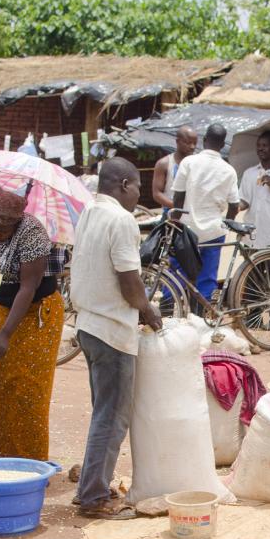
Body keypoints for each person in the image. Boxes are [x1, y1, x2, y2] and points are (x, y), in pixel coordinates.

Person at [70, 158, 162, 520]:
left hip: (88, 325)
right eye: (138, 186)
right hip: (111, 330)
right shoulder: (122, 220)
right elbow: (128, 280)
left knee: (103, 413)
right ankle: (93, 496)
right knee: (112, 416)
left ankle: (90, 486)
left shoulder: (90, 211)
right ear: (124, 184)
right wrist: (148, 309)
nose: (139, 194)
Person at [0, 188, 65, 460]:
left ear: (16, 222)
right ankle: (3, 457)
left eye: (4, 227)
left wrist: (6, 334)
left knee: (29, 390)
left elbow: (28, 286)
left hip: (38, 315)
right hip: (4, 308)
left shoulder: (32, 231)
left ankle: (30, 462)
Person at [171, 124, 240, 300]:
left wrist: (174, 221)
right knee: (207, 279)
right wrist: (226, 223)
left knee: (176, 276)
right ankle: (201, 320)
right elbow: (234, 206)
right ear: (223, 144)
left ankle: (168, 313)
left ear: (204, 140)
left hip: (186, 229)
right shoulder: (229, 170)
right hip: (213, 231)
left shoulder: (188, 163)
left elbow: (178, 197)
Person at [151, 126, 197, 213]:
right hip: (171, 214)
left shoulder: (198, 163)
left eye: (195, 143)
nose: (192, 147)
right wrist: (178, 207)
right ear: (177, 141)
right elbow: (157, 193)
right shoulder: (164, 164)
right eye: (188, 143)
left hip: (193, 215)